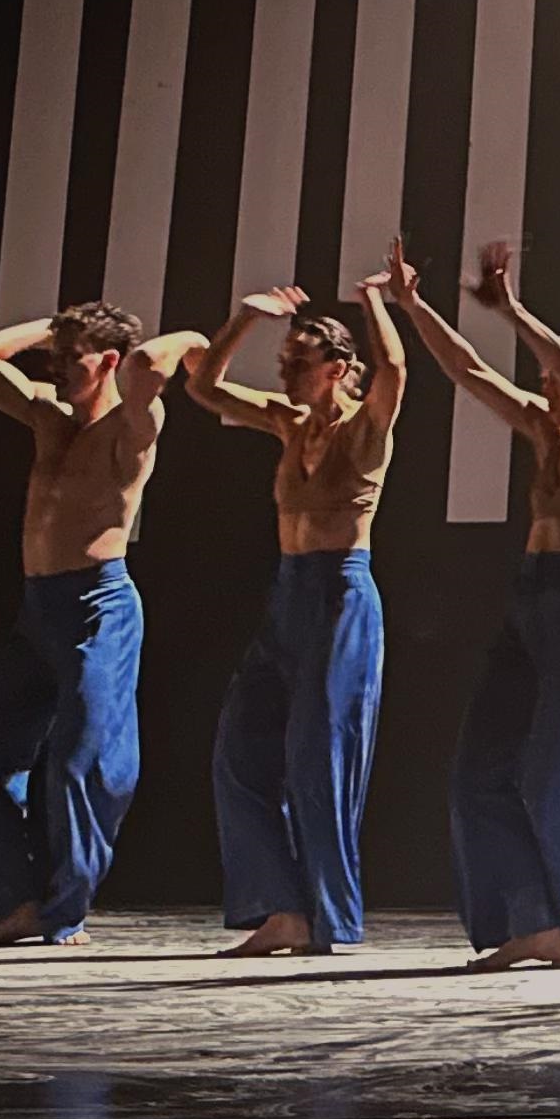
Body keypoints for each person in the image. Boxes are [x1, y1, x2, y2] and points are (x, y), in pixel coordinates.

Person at [392, 240, 560, 969]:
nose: (546, 384)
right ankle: (531, 921)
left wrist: (512, 309)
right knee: (480, 768)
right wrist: (416, 307)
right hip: (529, 602)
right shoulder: (547, 427)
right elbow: (469, 372)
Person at [0, 297, 200, 946]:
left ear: (107, 362)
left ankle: (63, 910)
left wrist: (190, 334)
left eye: (70, 359)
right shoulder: (49, 418)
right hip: (37, 610)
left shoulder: (134, 424)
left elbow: (149, 365)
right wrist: (54, 330)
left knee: (83, 762)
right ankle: (16, 902)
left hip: (96, 606)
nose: (54, 369)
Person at [187, 265, 409, 958]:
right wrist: (246, 319)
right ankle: (282, 908)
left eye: (297, 362)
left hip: (341, 595)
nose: (284, 374)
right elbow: (203, 386)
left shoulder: (367, 426)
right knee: (240, 753)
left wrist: (375, 300)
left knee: (320, 758)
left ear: (338, 368)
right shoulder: (286, 422)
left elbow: (396, 371)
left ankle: (327, 916)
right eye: (282, 362)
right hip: (289, 593)